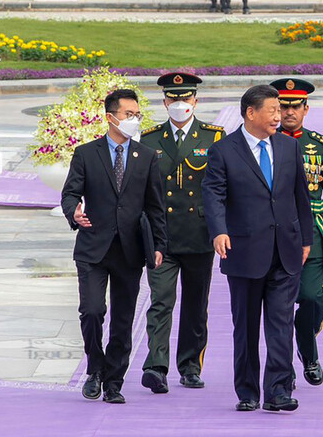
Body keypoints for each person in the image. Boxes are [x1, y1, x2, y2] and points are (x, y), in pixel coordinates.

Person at [201, 85, 313, 412]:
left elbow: (300, 198)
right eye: (272, 110)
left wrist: (306, 238)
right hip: (244, 253)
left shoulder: (288, 148)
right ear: (251, 113)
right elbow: (214, 196)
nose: (280, 116)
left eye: (280, 110)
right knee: (247, 327)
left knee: (281, 324)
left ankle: (278, 391)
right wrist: (219, 232)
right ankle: (248, 391)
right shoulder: (224, 151)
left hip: (286, 250)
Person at [61, 88, 168, 404]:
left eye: (138, 115)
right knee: (92, 311)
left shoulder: (146, 156)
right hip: (93, 248)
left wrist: (159, 244)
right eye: (128, 114)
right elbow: (70, 193)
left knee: (123, 319)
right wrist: (74, 212)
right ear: (110, 117)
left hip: (130, 249)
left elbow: (155, 205)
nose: (134, 120)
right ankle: (95, 367)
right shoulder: (86, 153)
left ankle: (114, 382)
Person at [139, 72, 226, 394]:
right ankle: (156, 366)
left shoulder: (214, 138)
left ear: (195, 101)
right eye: (173, 99)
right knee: (160, 301)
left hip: (199, 233)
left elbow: (222, 188)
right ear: (164, 102)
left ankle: (190, 366)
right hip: (162, 235)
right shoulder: (149, 140)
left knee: (194, 304)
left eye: (185, 98)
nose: (179, 104)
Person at [269, 78, 323, 387]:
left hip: (312, 234)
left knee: (312, 298)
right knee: (282, 303)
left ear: (306, 109)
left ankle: (306, 345)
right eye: (283, 106)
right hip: (276, 233)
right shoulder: (266, 142)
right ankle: (301, 362)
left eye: (295, 106)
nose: (289, 112)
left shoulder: (320, 145)